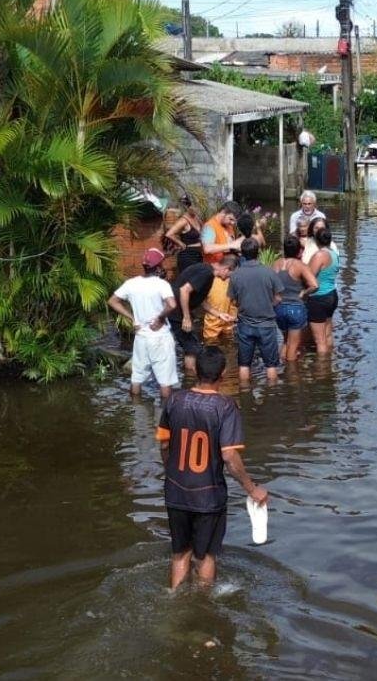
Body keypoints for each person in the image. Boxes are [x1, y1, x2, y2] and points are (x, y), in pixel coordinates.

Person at [155, 346, 268, 590]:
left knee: (179, 553)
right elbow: (229, 456)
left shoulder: (174, 400)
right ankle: (204, 607)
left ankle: (174, 597)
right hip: (208, 495)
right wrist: (252, 489)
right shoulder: (225, 407)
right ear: (224, 373)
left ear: (195, 369)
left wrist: (171, 472)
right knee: (205, 556)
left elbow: (164, 443)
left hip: (175, 490)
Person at [108, 248, 179, 400]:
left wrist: (132, 317)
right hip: (160, 337)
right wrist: (160, 318)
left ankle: (138, 418)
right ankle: (165, 417)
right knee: (165, 381)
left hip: (141, 336)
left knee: (137, 378)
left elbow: (112, 301)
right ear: (159, 266)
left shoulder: (131, 283)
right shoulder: (162, 284)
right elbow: (172, 305)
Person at [227, 237, 282, 382]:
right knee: (271, 365)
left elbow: (232, 301)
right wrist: (269, 305)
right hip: (266, 324)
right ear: (258, 252)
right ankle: (272, 396)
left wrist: (243, 305)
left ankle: (245, 394)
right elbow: (278, 298)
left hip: (245, 325)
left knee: (244, 364)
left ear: (242, 254)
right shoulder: (269, 272)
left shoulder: (235, 275)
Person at [170, 255, 238, 371]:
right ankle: (195, 379)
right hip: (176, 312)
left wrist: (219, 314)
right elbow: (184, 290)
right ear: (227, 269)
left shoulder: (209, 274)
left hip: (178, 311)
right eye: (229, 275)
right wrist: (186, 317)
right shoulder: (206, 272)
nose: (227, 278)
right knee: (195, 349)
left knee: (191, 348)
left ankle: (189, 377)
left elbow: (201, 301)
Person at [271, 233, 318, 363]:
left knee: (286, 341)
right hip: (295, 308)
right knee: (293, 346)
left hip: (278, 308)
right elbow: (314, 285)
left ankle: (280, 368)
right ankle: (290, 377)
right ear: (299, 251)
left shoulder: (275, 264)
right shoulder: (300, 266)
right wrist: (304, 293)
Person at [307, 225, 340, 354]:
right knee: (327, 334)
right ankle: (330, 361)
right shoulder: (334, 253)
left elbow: (309, 277)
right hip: (332, 295)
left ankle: (322, 369)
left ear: (316, 240)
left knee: (319, 341)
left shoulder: (319, 255)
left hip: (319, 297)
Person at [163, 194, 203, 273]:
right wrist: (180, 243)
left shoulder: (196, 218)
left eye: (198, 206)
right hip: (187, 256)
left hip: (198, 255)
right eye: (194, 206)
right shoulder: (183, 220)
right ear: (187, 207)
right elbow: (169, 234)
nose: (197, 209)